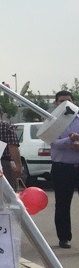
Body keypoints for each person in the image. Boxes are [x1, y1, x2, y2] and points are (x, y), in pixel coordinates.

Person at [49, 89, 79, 249]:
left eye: (69, 100)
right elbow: (54, 143)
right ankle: (64, 238)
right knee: (62, 204)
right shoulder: (52, 121)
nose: (66, 104)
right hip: (62, 168)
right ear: (56, 103)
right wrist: (70, 139)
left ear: (74, 102)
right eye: (62, 101)